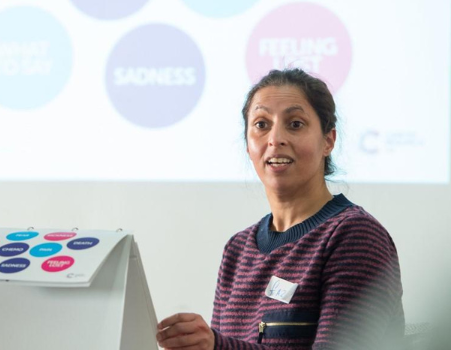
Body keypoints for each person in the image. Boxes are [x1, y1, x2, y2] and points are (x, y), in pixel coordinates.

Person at [156, 68, 405, 350]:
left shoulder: (355, 236)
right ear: (248, 145)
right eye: (261, 125)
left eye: (295, 124)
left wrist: (218, 347)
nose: (275, 139)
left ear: (328, 141)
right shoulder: (237, 250)